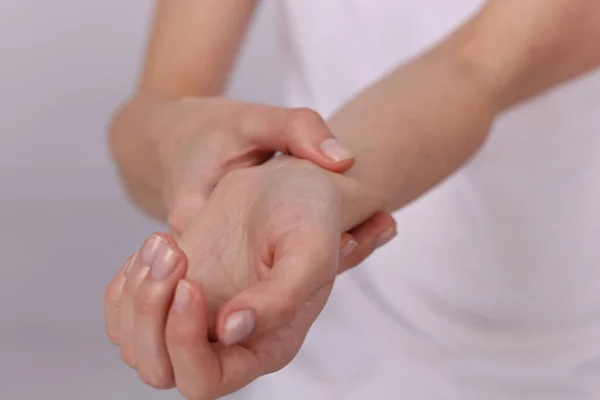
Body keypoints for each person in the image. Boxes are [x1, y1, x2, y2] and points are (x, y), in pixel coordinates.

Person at [104, 0, 600, 399]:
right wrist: (179, 144)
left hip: (573, 363)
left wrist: (319, 181)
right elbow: (152, 106)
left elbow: (477, 66)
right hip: (327, 345)